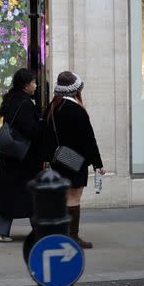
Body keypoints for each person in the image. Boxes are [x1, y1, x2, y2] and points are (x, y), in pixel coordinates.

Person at [42, 71, 104, 249]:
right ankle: (72, 236)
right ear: (76, 90)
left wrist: (47, 159)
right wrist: (97, 163)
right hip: (75, 162)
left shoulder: (52, 108)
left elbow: (45, 137)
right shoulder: (77, 111)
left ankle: (59, 234)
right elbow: (88, 140)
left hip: (57, 161)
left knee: (62, 198)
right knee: (73, 199)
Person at [0, 68, 45, 242]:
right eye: (33, 82)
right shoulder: (25, 103)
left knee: (12, 195)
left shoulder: (12, 98)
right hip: (24, 159)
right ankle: (42, 231)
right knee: (31, 195)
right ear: (26, 85)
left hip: (12, 156)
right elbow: (29, 129)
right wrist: (41, 124)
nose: (36, 86)